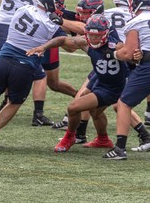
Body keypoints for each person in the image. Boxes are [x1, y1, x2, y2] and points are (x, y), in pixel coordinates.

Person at [26, 14, 139, 153]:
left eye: (97, 36)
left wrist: (135, 56)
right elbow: (62, 40)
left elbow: (131, 58)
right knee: (95, 112)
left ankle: (70, 137)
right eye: (90, 35)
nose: (93, 38)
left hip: (116, 87)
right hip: (103, 84)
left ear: (106, 34)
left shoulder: (116, 45)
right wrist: (43, 47)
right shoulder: (85, 42)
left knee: (73, 107)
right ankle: (103, 139)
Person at [0, 0, 67, 150]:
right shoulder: (51, 25)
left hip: (4, 57)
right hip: (25, 65)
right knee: (15, 102)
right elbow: (69, 45)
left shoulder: (22, 9)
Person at [51, 0, 105, 145]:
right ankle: (82, 134)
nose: (79, 16)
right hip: (101, 68)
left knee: (121, 105)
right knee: (84, 99)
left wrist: (60, 22)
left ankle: (142, 135)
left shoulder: (99, 25)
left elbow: (80, 34)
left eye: (84, 13)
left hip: (115, 69)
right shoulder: (91, 20)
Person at [102, 0, 150, 160]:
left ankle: (120, 148)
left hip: (148, 67)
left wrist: (111, 54)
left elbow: (127, 54)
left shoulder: (135, 22)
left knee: (123, 104)